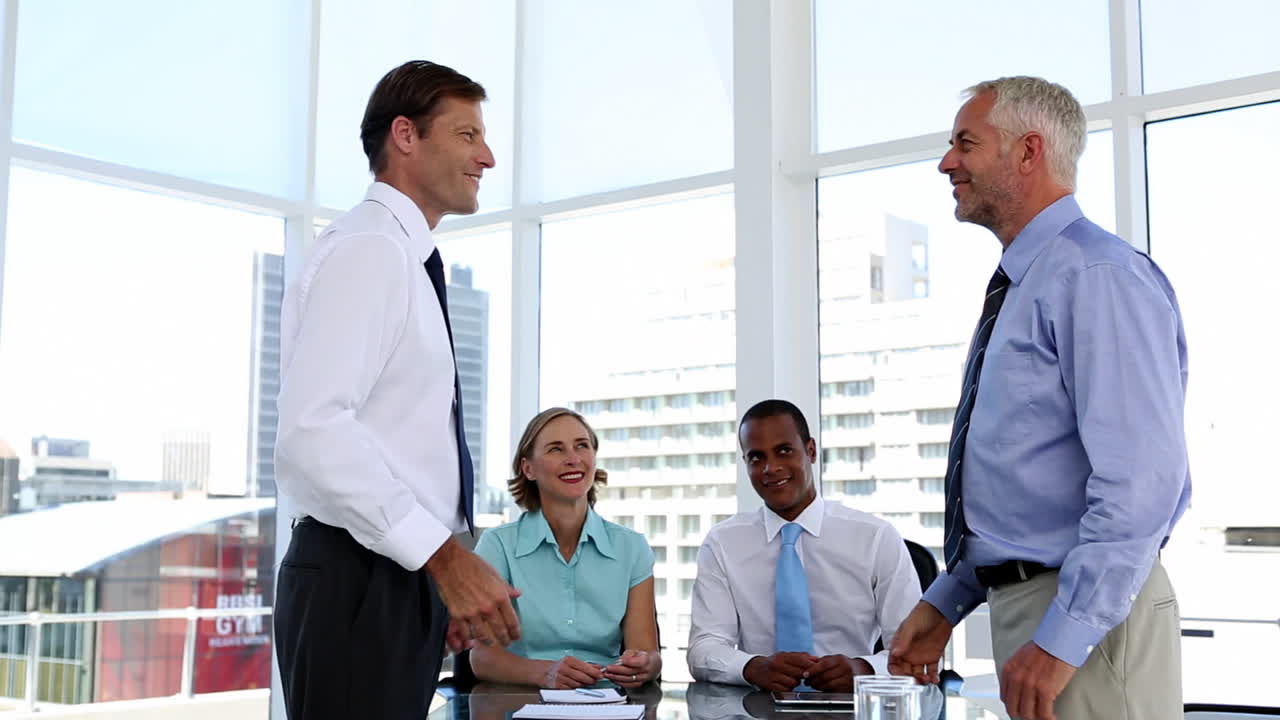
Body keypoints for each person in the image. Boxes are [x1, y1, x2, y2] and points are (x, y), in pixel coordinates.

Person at [889, 76, 1189, 720]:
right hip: (1035, 609)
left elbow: (1142, 485)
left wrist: (1063, 637)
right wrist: (946, 599)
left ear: (1028, 152)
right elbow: (1024, 488)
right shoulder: (1028, 283)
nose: (946, 162)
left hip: (1087, 624)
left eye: (965, 144)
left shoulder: (1096, 275)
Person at [273, 60, 519, 720]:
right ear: (406, 136)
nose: (487, 156)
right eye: (468, 134)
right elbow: (312, 432)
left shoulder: (399, 257)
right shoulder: (371, 250)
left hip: (389, 574)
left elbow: (400, 439)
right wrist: (442, 561)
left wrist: (432, 579)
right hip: (360, 577)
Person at [687, 399, 921, 692]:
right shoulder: (722, 543)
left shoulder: (875, 537)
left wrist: (863, 669)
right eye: (756, 458)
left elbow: (915, 652)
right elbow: (703, 648)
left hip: (851, 704)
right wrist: (753, 667)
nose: (770, 468)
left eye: (784, 451)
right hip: (759, 707)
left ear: (810, 451)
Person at [470, 407, 661, 689]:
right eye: (555, 449)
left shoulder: (632, 548)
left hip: (606, 703)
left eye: (582, 446)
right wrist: (544, 673)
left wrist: (645, 665)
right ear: (528, 469)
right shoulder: (498, 546)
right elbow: (483, 658)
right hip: (521, 700)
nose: (573, 459)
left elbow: (648, 653)